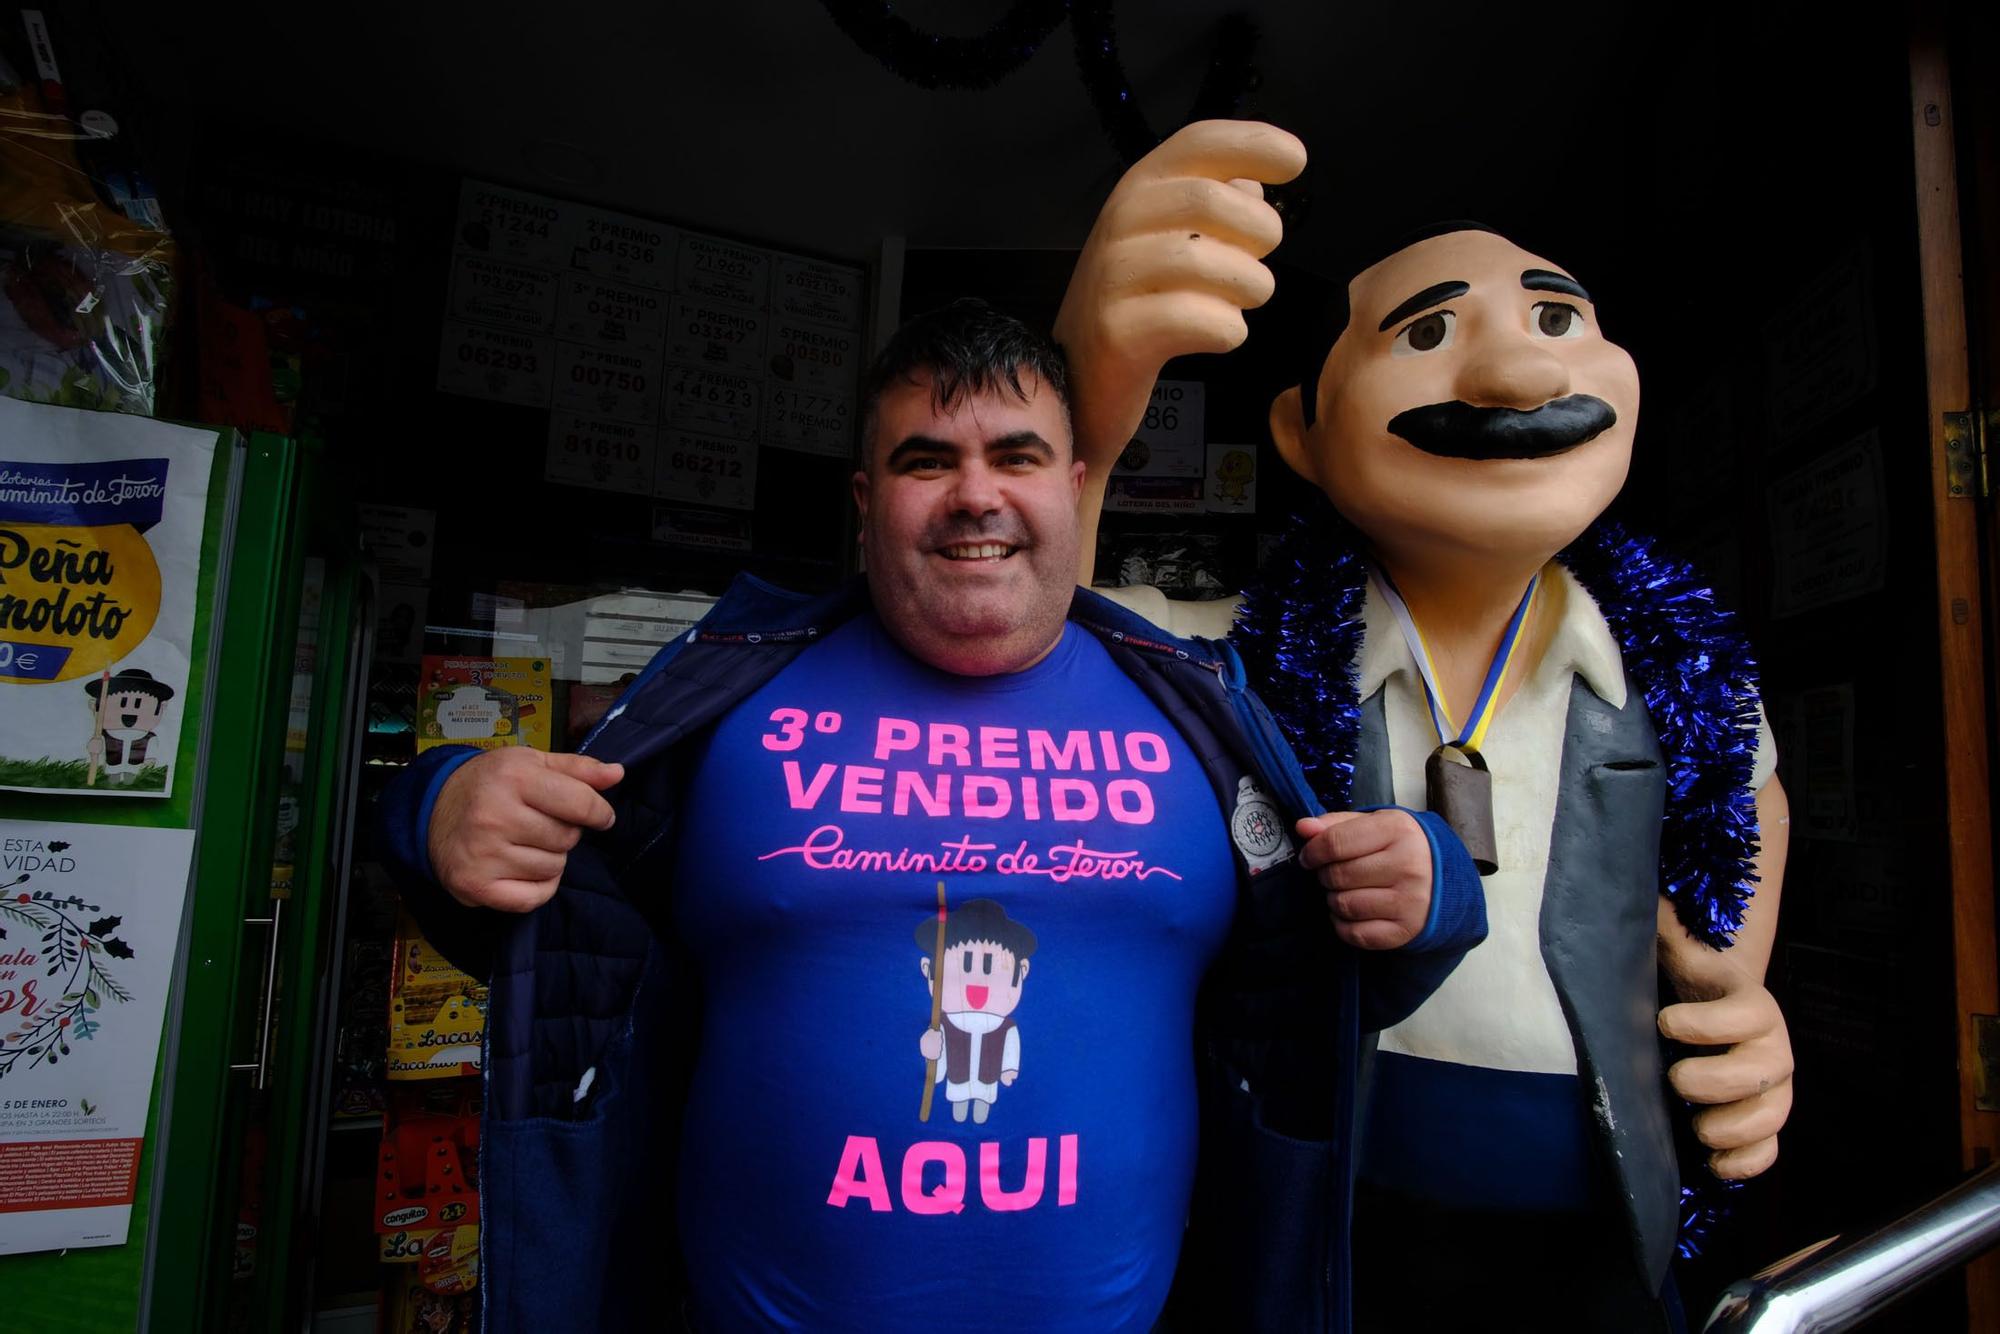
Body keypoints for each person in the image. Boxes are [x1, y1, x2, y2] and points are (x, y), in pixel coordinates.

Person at [378, 300, 1488, 1333]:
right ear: (865, 500)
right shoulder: (720, 692)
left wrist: (1431, 888)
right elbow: (551, 946)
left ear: (1073, 483)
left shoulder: (1199, 707)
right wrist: (434, 810)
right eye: (926, 458)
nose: (975, 493)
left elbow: (1316, 981)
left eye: (1016, 455)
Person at [1055, 120, 1794, 1329]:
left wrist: (1740, 1009)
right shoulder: (1250, 650)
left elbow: (1748, 799)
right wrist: (1089, 399)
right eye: (1429, 331)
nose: (1514, 379)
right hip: (1332, 1218)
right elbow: (1050, 635)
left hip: (1600, 1229)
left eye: (1556, 320)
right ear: (1301, 429)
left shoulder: (1684, 670)